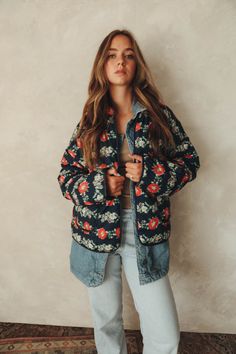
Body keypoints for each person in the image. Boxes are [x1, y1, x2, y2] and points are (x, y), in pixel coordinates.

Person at [57, 29, 200, 354]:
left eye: (128, 54)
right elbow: (66, 176)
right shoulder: (90, 119)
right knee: (107, 324)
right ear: (102, 65)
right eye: (112, 54)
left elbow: (190, 162)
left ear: (137, 64)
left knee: (164, 335)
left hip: (144, 234)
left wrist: (150, 174)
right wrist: (100, 186)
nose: (120, 60)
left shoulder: (157, 116)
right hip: (95, 237)